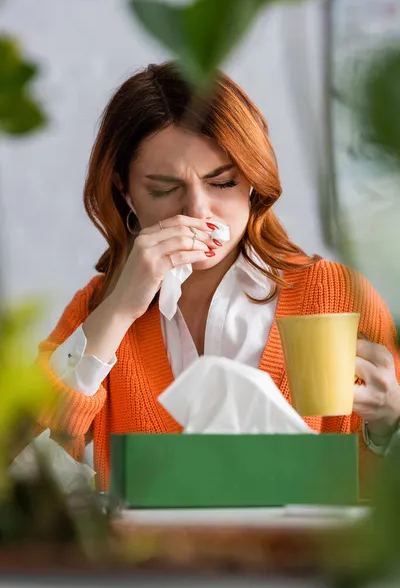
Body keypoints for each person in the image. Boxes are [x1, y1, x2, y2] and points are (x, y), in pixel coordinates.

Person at [37, 62, 400, 491]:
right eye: (163, 188)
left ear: (252, 179)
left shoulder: (338, 295)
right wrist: (118, 310)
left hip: (304, 560)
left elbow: (379, 512)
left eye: (222, 183)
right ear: (125, 192)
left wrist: (387, 427)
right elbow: (31, 459)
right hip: (146, 561)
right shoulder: (97, 310)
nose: (197, 212)